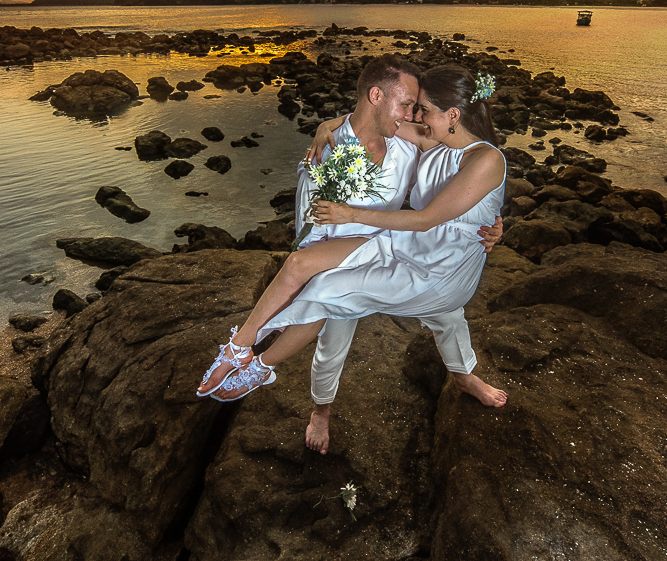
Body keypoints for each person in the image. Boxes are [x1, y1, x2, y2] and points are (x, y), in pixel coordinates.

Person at [196, 57, 503, 435]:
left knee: (446, 314)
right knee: (327, 322)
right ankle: (312, 403)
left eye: (418, 108)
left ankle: (464, 376)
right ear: (377, 96)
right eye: (409, 106)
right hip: (363, 247)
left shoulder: (420, 144)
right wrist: (327, 126)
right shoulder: (332, 152)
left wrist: (488, 221)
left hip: (409, 248)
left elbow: (449, 194)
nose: (413, 117)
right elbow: (310, 220)